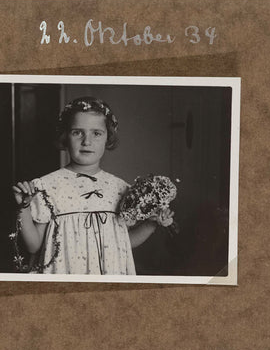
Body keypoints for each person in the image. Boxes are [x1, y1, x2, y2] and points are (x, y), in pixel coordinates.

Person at [12, 96, 173, 275]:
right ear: (65, 137)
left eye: (96, 133)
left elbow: (123, 242)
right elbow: (34, 246)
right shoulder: (46, 186)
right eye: (77, 132)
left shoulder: (120, 188)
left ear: (108, 138)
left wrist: (150, 224)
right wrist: (24, 207)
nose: (86, 141)